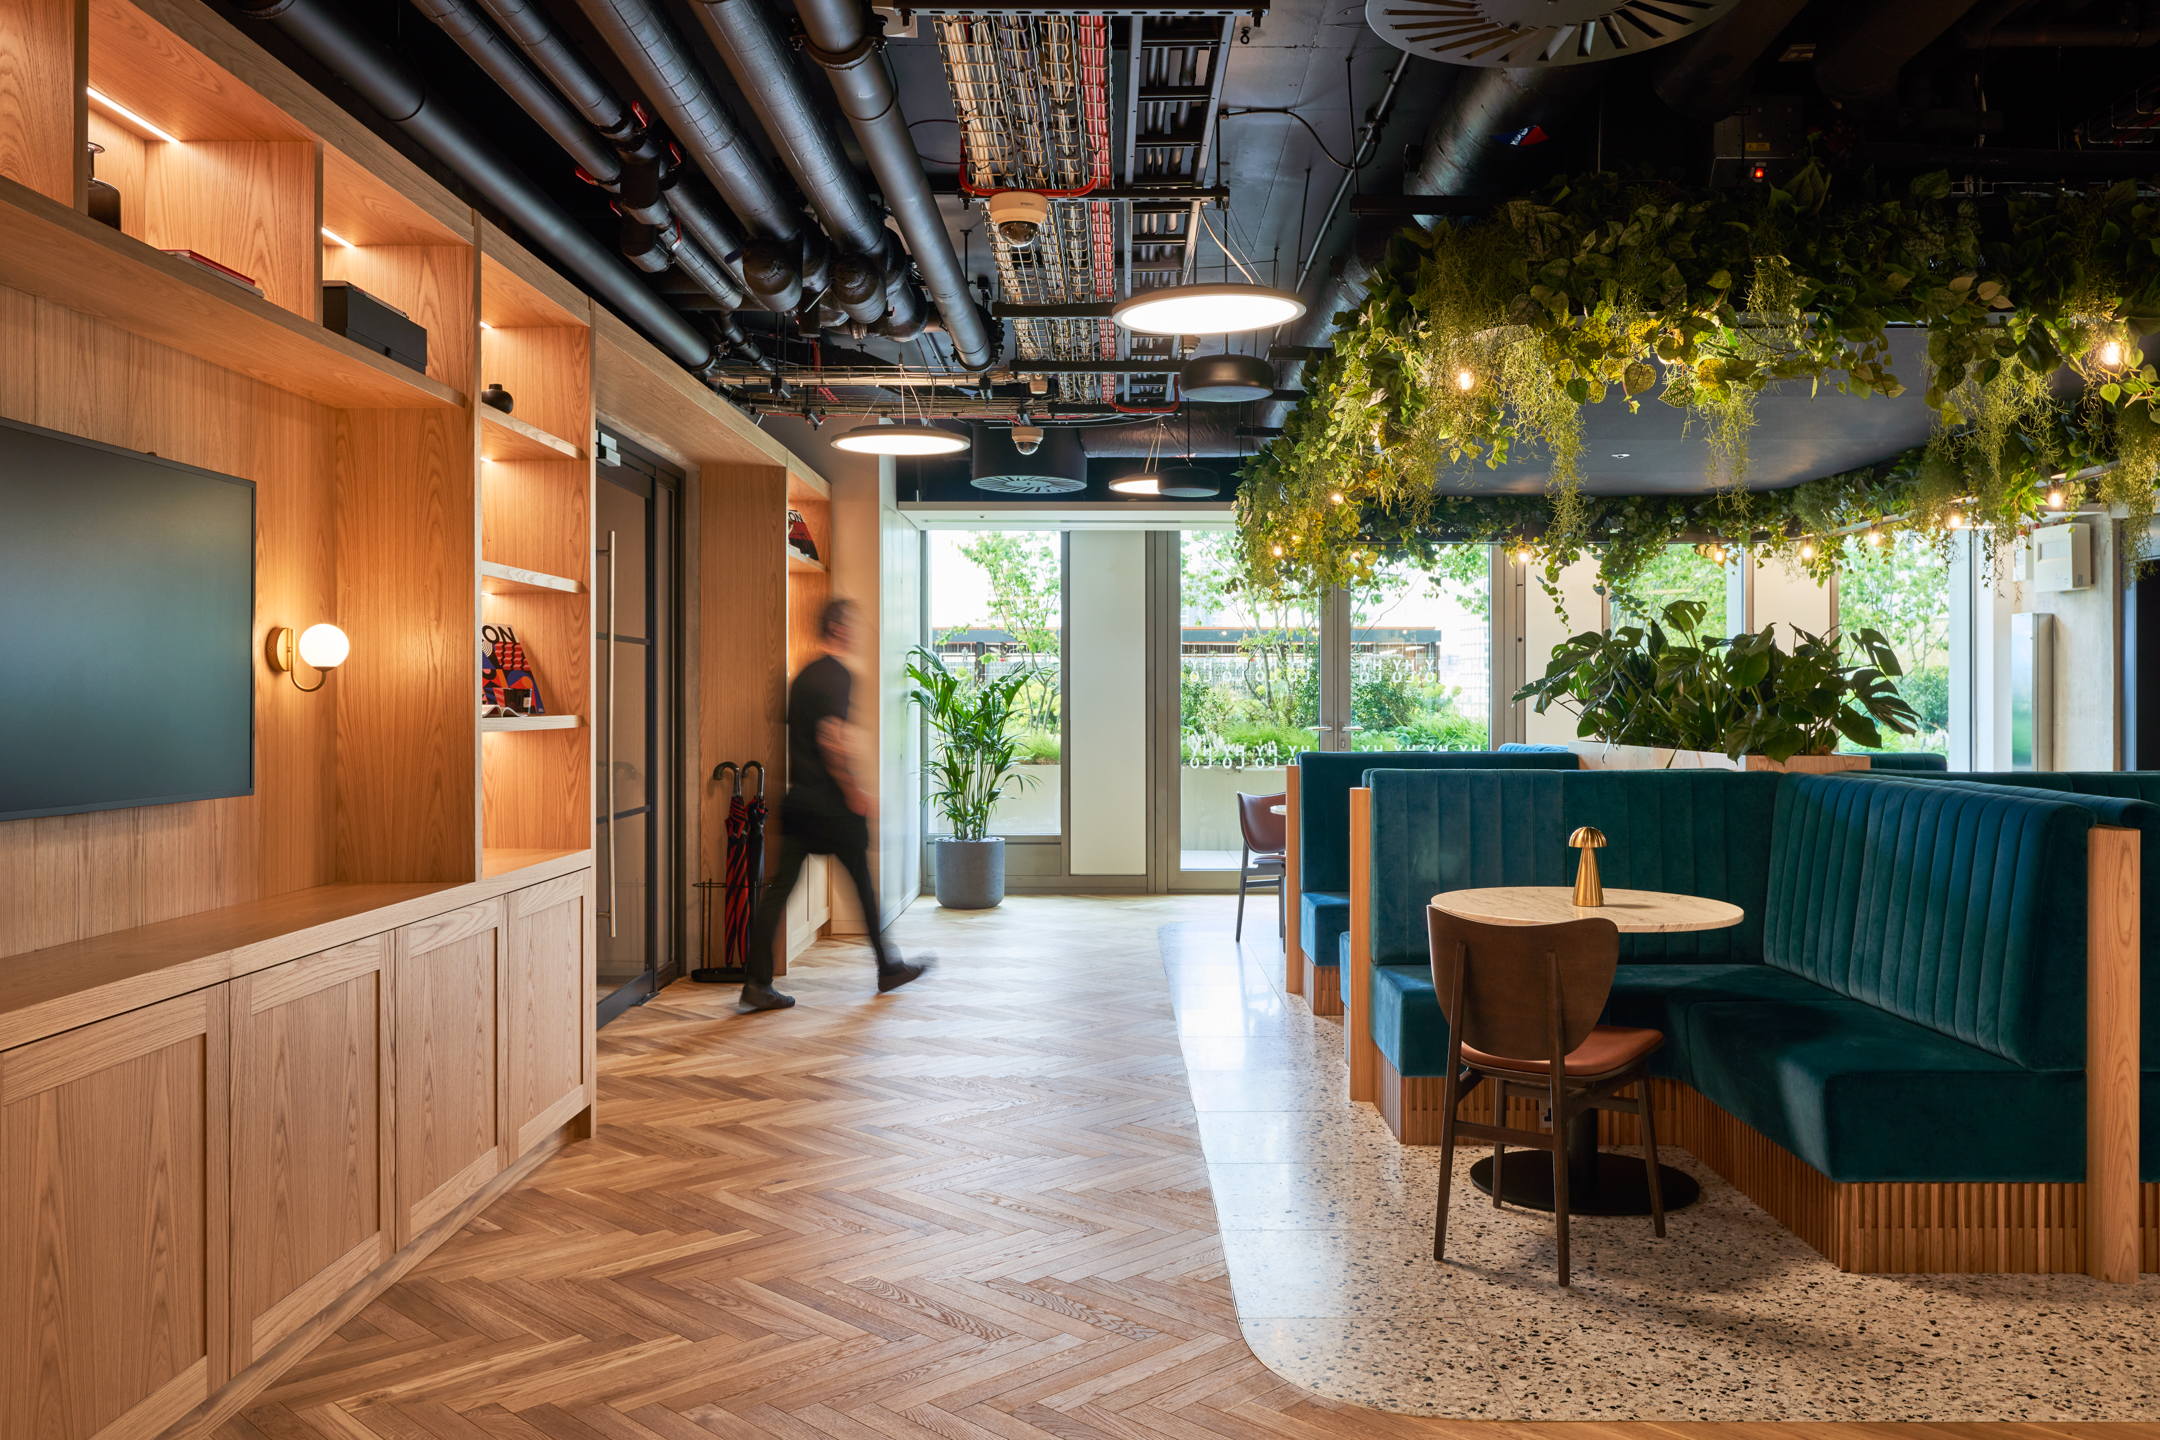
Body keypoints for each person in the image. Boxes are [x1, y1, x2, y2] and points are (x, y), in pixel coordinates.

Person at [741, 597, 928, 1010]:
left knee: (778, 893)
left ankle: (756, 982)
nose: (858, 634)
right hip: (830, 804)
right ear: (839, 629)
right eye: (854, 626)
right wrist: (853, 790)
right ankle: (887, 967)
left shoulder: (803, 676)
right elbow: (831, 736)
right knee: (862, 884)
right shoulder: (836, 675)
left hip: (799, 800)